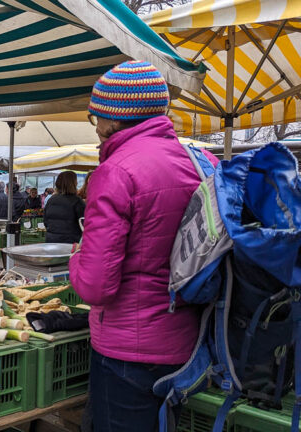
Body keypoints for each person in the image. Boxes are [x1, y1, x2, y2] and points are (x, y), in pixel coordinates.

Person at [69, 61, 219, 432]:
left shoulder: (117, 171)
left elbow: (96, 285)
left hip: (128, 351)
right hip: (191, 343)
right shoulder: (203, 162)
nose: (97, 128)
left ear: (115, 120)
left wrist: (76, 259)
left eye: (96, 118)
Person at [43, 171, 85, 244]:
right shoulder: (77, 201)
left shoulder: (51, 200)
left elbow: (45, 221)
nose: (77, 183)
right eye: (76, 181)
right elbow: (84, 222)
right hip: (71, 242)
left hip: (51, 241)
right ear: (73, 183)